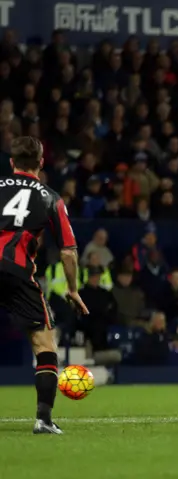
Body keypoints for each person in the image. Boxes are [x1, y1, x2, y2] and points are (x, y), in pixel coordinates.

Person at [0, 136, 89, 434]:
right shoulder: (51, 197)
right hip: (17, 271)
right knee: (44, 345)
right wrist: (73, 289)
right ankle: (43, 419)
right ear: (41, 163)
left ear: (12, 162)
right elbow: (68, 251)